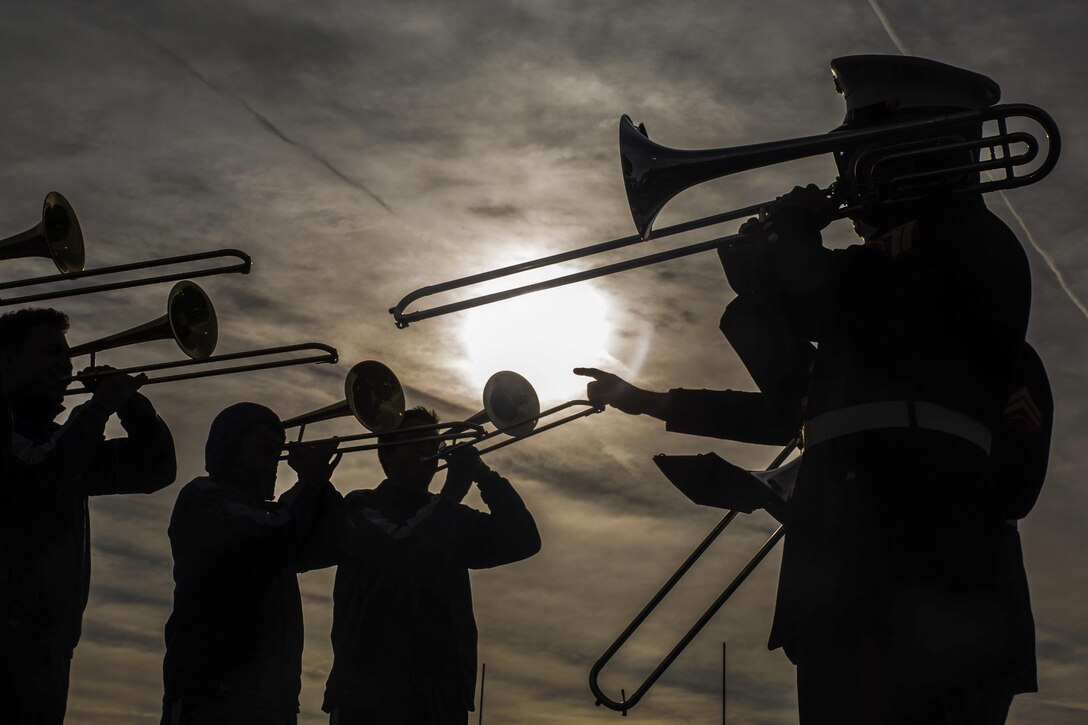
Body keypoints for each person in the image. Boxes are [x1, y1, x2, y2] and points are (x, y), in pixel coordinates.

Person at [583, 55, 1042, 724]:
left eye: (861, 146)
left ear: (921, 143)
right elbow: (791, 409)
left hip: (926, 573)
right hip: (844, 578)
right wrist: (654, 396)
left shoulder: (967, 240)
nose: (843, 166)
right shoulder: (881, 280)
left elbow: (845, 300)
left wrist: (788, 255)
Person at [0, 307, 177, 724]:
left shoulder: (59, 442)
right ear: (6, 361)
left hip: (48, 646)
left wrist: (133, 407)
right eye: (49, 353)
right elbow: (37, 479)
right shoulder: (16, 437)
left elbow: (155, 469)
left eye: (66, 356)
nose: (65, 365)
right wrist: (97, 410)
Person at [318, 406, 541, 725]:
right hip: (368, 696)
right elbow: (401, 552)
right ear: (387, 454)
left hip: (441, 697)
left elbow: (523, 539)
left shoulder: (451, 517)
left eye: (432, 442)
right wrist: (451, 494)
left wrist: (485, 476)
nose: (429, 449)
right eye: (415, 441)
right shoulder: (359, 506)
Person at [161, 402, 342, 725]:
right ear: (230, 445)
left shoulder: (274, 513)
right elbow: (273, 537)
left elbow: (333, 545)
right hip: (212, 690)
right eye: (264, 447)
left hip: (273, 698)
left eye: (277, 450)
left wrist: (320, 485)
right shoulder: (202, 497)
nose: (273, 460)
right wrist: (309, 484)